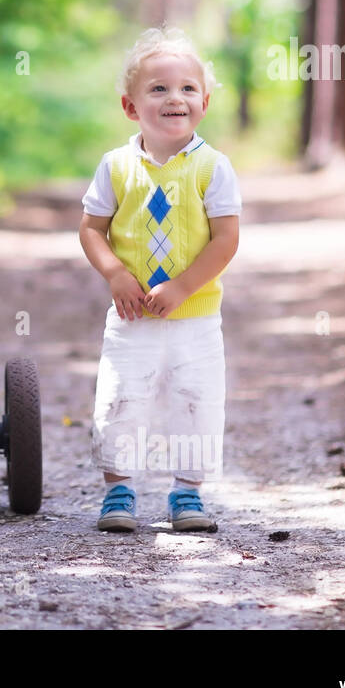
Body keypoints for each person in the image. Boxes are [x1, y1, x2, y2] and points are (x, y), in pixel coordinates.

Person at [78, 27, 241, 533]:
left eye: (188, 88)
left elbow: (226, 240)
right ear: (131, 107)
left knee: (197, 402)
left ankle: (187, 495)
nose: (175, 98)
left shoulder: (213, 169)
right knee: (122, 400)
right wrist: (115, 274)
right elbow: (91, 229)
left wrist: (182, 287)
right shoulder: (117, 167)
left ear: (205, 102)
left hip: (196, 319)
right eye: (159, 89)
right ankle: (119, 491)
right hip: (132, 321)